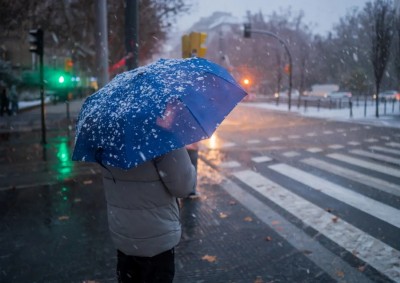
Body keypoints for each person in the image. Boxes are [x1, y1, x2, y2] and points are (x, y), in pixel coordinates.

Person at [100, 147, 197, 283]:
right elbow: (183, 187)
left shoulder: (107, 137)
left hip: (123, 234)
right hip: (158, 237)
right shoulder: (162, 137)